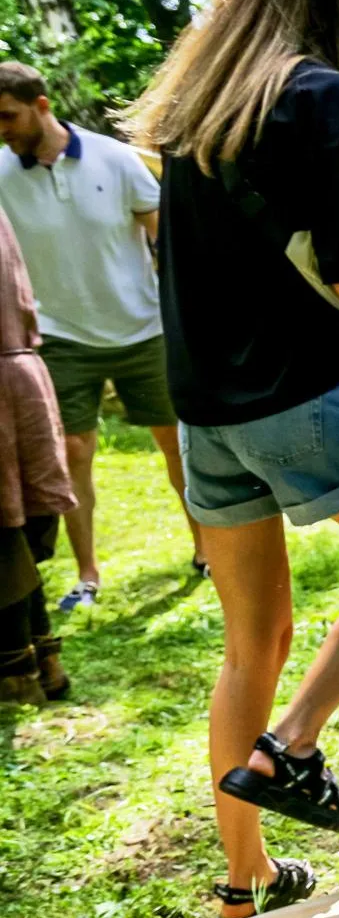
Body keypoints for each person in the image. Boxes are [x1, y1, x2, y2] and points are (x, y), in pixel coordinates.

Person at [124, 0, 339, 918]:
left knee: (251, 641)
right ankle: (294, 746)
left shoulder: (197, 112)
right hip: (301, 396)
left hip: (204, 415)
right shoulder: (323, 97)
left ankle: (243, 880)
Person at [0, 63, 202, 609]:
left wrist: (182, 318)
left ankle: (204, 549)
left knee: (176, 446)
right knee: (71, 453)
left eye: (8, 115)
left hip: (143, 330)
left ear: (41, 105)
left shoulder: (115, 158)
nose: (2, 128)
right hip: (58, 338)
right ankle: (87, 575)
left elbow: (166, 241)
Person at [0, 206, 77, 704]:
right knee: (13, 533)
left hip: (11, 370)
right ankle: (42, 657)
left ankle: (16, 671)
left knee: (6, 536)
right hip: (19, 375)